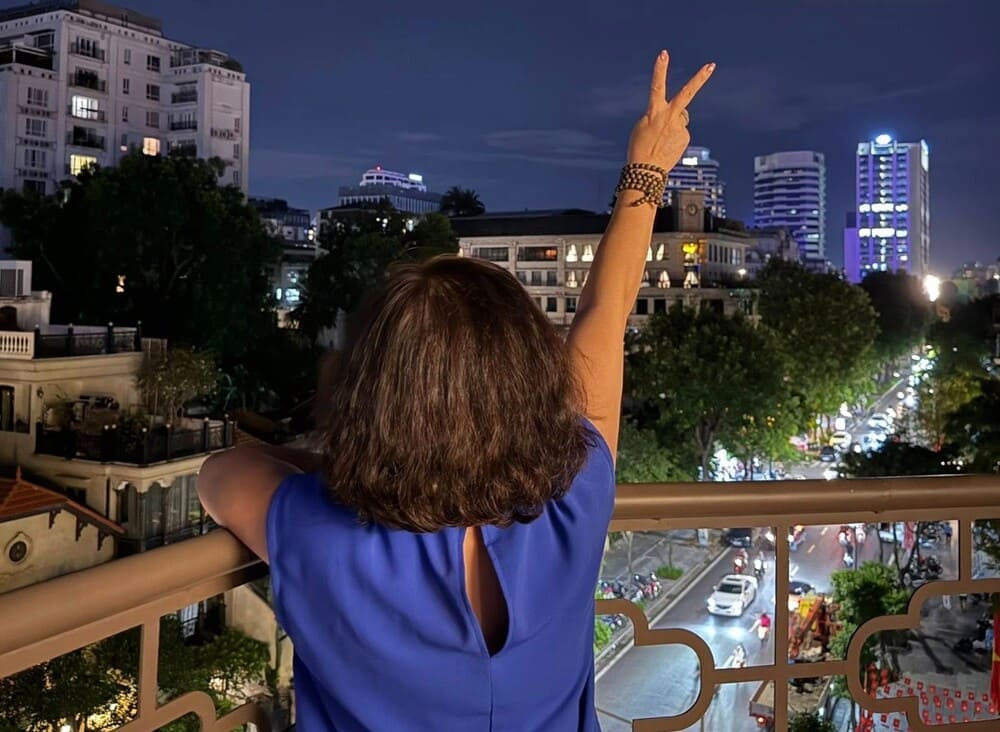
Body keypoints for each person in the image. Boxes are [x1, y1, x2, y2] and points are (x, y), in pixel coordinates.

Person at [196, 51, 715, 731]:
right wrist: (647, 172)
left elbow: (219, 474)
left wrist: (362, 472)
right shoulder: (572, 501)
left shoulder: (325, 533)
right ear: (525, 378)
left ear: (377, 395)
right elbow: (604, 315)